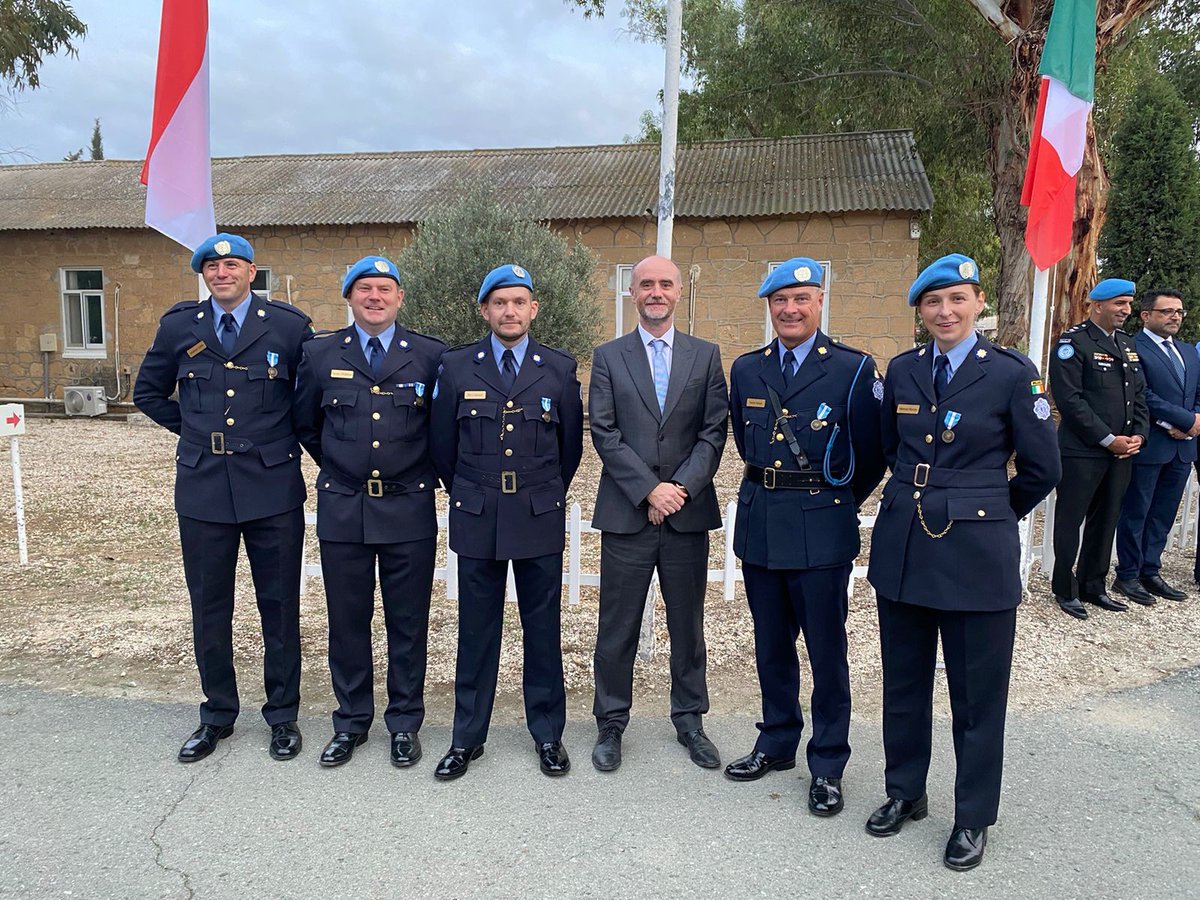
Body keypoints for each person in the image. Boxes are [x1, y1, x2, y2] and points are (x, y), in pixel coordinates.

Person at [866, 253, 1060, 872]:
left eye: (957, 299)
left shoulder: (1010, 373)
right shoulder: (901, 370)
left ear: (979, 304)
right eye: (932, 302)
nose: (945, 312)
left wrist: (990, 508)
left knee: (976, 695)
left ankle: (973, 816)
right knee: (903, 684)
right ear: (920, 312)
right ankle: (906, 791)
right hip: (905, 545)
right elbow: (885, 449)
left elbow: (1042, 469)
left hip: (977, 553)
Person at [133, 233, 312, 763]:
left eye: (231, 264)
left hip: (271, 487)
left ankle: (282, 716)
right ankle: (217, 714)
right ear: (203, 276)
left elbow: (309, 399)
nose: (221, 272)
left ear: (251, 272)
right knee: (210, 606)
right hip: (204, 487)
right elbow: (148, 393)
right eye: (212, 266)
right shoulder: (178, 326)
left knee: (278, 606)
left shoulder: (288, 327)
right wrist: (194, 434)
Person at [724, 257, 885, 815]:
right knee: (770, 645)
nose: (790, 310)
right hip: (762, 522)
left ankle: (828, 763)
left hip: (821, 526)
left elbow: (871, 455)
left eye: (802, 300)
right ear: (769, 308)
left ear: (820, 303)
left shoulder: (854, 368)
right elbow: (746, 446)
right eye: (779, 302)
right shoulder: (746, 368)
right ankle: (776, 743)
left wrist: (832, 499)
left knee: (826, 650)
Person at [429, 264, 583, 780]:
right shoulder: (456, 367)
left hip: (538, 513)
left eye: (519, 302)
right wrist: (474, 490)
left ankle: (547, 735)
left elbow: (570, 452)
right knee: (476, 632)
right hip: (477, 513)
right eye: (499, 303)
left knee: (543, 631)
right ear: (484, 310)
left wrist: (539, 491)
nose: (509, 311)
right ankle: (466, 738)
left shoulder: (558, 368)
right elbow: (441, 448)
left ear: (533, 308)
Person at [293, 256, 445, 768]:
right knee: (348, 621)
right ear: (349, 298)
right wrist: (344, 465)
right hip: (345, 507)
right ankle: (351, 722)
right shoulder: (319, 354)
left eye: (385, 289)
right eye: (364, 289)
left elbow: (440, 431)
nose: (375, 297)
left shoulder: (430, 355)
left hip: (408, 508)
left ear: (400, 298)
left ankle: (404, 723)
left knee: (408, 623)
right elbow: (307, 425)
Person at [588, 255, 729, 772]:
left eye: (664, 284)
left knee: (688, 626)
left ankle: (690, 720)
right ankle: (610, 722)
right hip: (627, 514)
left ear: (678, 292)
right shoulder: (608, 356)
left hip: (686, 517)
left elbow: (714, 432)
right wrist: (649, 490)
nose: (655, 292)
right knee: (617, 626)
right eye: (646, 284)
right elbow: (603, 431)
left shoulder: (705, 356)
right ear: (633, 292)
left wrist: (679, 490)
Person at [1048, 278, 1149, 619]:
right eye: (1119, 303)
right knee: (1070, 521)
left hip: (1122, 453)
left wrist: (1139, 437)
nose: (1126, 310)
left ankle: (1094, 585)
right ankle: (1065, 588)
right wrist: (1108, 439)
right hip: (1082, 452)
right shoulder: (1073, 343)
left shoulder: (1127, 344)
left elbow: (1139, 397)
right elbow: (1070, 400)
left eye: (1129, 304)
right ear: (1097, 305)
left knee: (1105, 522)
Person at [1113, 290, 1199, 605]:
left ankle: (1151, 570)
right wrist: (1180, 421)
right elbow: (1143, 395)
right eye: (1166, 311)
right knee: (1137, 511)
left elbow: (1197, 391)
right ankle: (1128, 575)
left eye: (1179, 311)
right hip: (1152, 442)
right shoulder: (1133, 348)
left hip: (1183, 447)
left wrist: (1194, 421)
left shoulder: (1189, 352)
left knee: (1163, 514)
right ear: (1146, 315)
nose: (1175, 316)